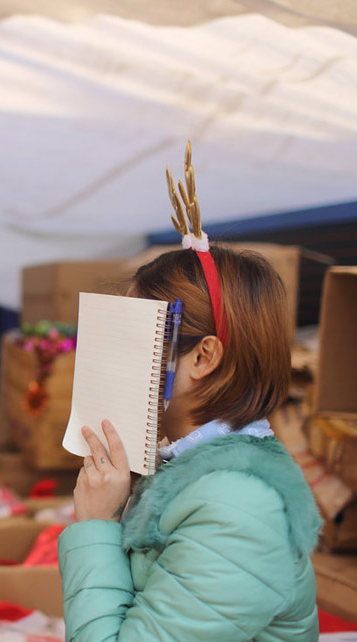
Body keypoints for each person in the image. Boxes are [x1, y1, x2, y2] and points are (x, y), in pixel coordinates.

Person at [57, 240, 323, 640]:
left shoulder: (238, 506)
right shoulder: (190, 472)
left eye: (134, 337)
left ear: (203, 357)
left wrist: (97, 523)